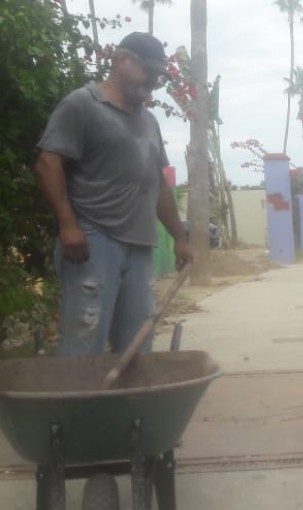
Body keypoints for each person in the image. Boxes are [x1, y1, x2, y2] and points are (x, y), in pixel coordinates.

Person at [35, 32, 191, 357]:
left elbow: (158, 184)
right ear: (123, 60)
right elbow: (48, 164)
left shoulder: (149, 121)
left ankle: (129, 409)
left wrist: (180, 236)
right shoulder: (82, 105)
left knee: (137, 346)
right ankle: (78, 408)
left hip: (140, 247)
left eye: (160, 76)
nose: (154, 82)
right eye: (149, 71)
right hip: (94, 241)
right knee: (85, 339)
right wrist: (68, 224)